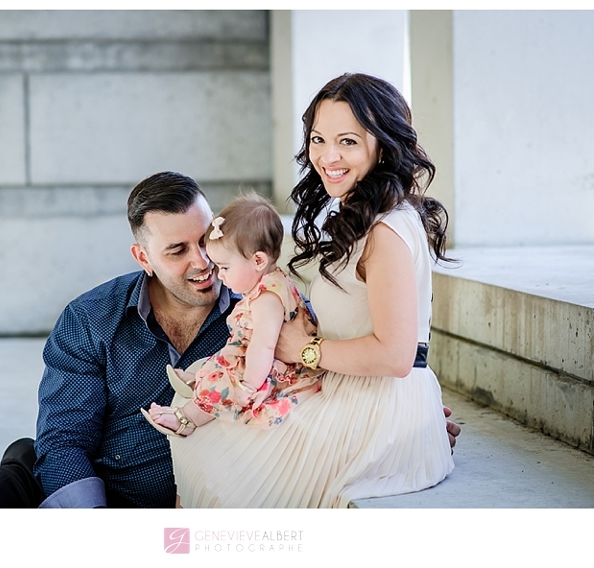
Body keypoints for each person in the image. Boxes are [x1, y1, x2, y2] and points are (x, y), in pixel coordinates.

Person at [0, 169, 460, 508]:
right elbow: (63, 443)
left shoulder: (263, 315)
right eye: (177, 251)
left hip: (176, 515)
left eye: (206, 242)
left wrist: (401, 424)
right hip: (73, 496)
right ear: (143, 257)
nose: (202, 263)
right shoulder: (90, 319)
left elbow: (316, 377)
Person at [167, 72, 456, 508]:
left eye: (348, 142)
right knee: (201, 407)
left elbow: (397, 357)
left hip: (376, 412)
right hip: (359, 395)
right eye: (319, 140)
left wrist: (301, 349)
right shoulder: (365, 218)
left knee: (212, 449)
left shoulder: (387, 232)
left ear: (383, 147)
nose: (327, 156)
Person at [142, 193, 322, 437]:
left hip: (269, 369)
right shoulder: (266, 284)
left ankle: (187, 418)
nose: (219, 274)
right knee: (219, 362)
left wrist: (248, 385)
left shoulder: (268, 298)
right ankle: (200, 380)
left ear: (258, 260)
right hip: (253, 358)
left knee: (224, 386)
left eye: (225, 267)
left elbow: (265, 345)